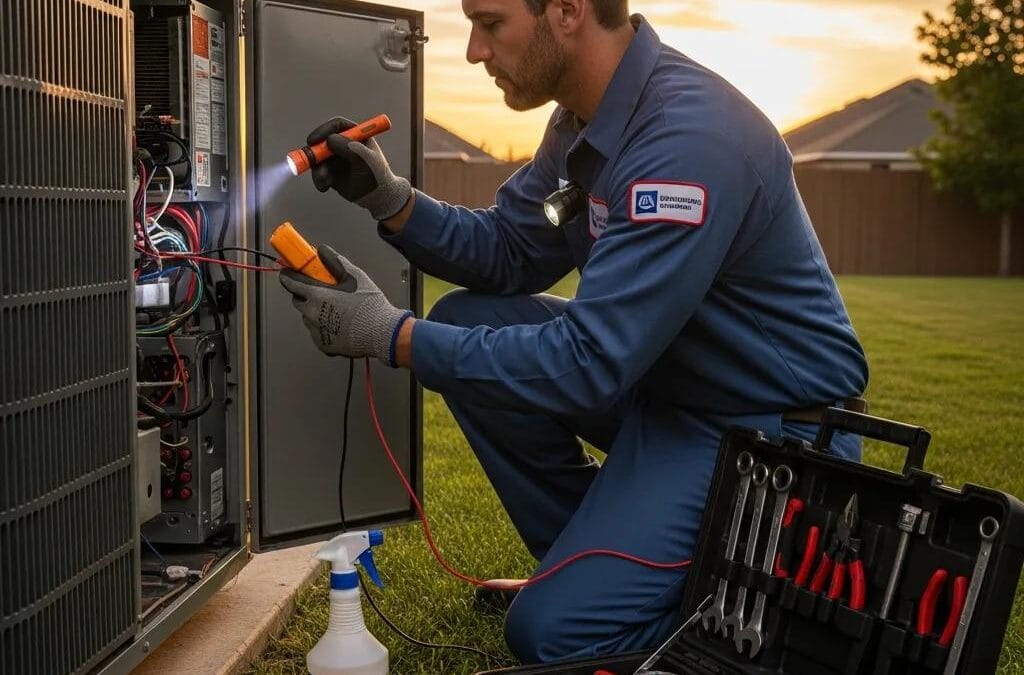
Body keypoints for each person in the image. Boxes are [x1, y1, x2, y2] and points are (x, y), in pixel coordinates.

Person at [279, 0, 869, 665]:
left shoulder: (684, 139)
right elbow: (508, 249)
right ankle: (588, 566)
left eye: (491, 23)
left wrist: (391, 335)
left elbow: (588, 361)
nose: (474, 50)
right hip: (669, 390)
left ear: (567, 11)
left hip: (766, 431)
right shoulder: (583, 122)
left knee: (552, 634)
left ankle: (740, 613)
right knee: (468, 319)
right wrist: (390, 199)